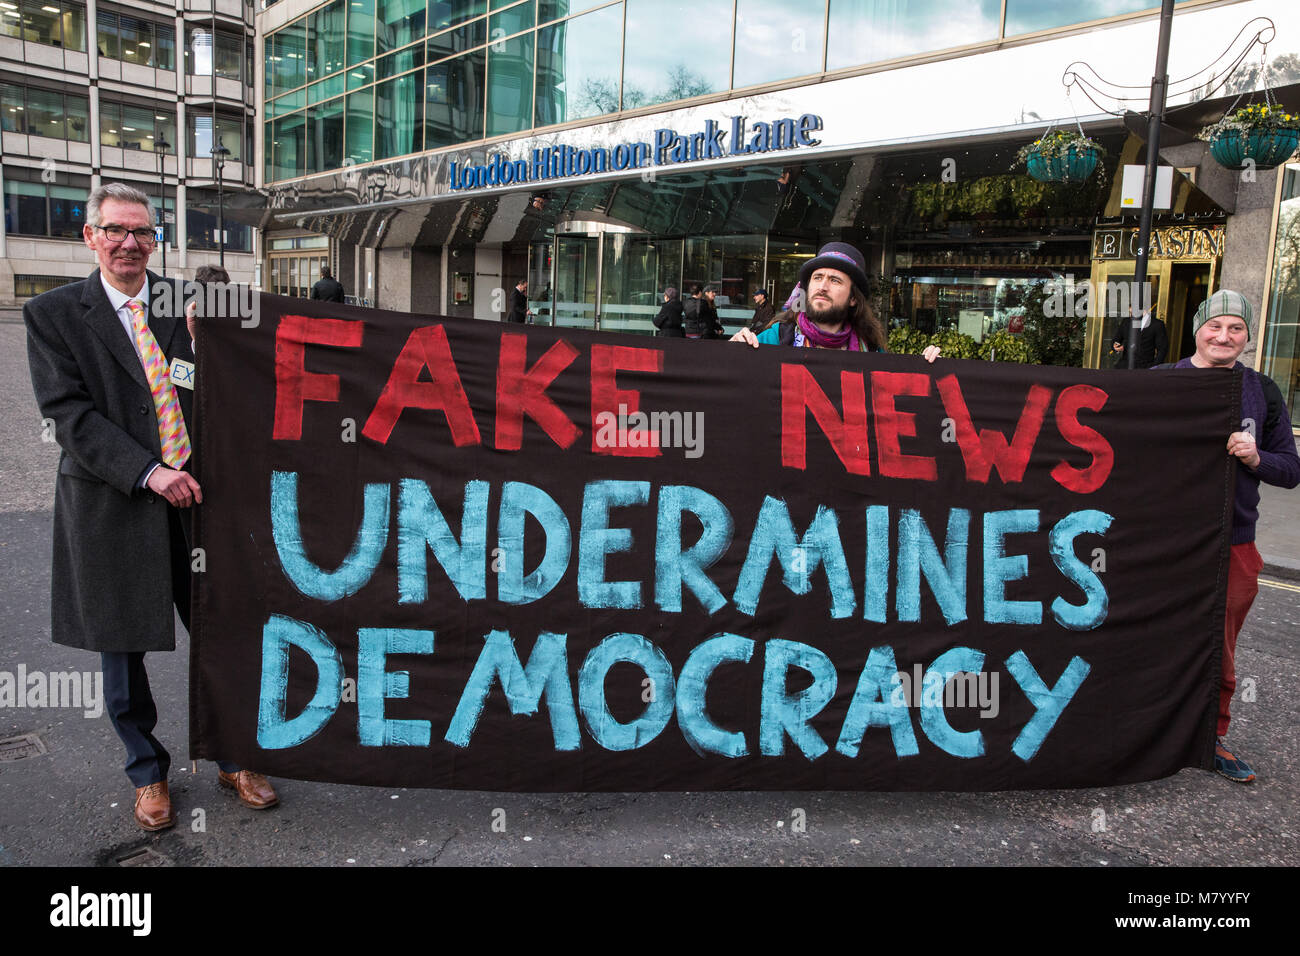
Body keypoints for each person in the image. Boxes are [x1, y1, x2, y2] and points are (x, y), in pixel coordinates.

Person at [23, 183, 279, 832]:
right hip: (113, 504)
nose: (128, 243)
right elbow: (69, 416)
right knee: (122, 650)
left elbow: (267, 363)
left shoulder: (192, 300)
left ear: (155, 239)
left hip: (199, 503)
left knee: (223, 636)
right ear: (91, 236)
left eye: (141, 232)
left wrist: (217, 345)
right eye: (115, 230)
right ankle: (148, 774)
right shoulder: (53, 314)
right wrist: (145, 471)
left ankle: (233, 756)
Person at [1157, 290, 1299, 783]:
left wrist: (1257, 457)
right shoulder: (1158, 383)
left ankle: (1211, 738)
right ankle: (1143, 731)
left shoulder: (1262, 391)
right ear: (1197, 329)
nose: (1224, 336)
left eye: (1235, 328)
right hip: (1160, 542)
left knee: (1219, 647)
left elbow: (1290, 469)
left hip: (1233, 542)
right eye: (1214, 325)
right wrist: (937, 374)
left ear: (1247, 335)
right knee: (1147, 637)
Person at [730, 241, 940, 363]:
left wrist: (930, 370)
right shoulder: (776, 338)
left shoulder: (872, 351)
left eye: (835, 280)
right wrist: (731, 353)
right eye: (818, 277)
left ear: (852, 298)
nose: (822, 286)